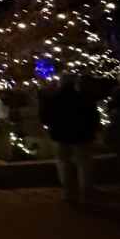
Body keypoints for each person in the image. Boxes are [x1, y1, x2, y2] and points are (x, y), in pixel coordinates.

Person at [39, 73, 100, 204]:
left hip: (60, 136)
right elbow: (93, 117)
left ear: (59, 83)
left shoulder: (50, 98)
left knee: (63, 164)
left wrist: (54, 126)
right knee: (84, 165)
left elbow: (44, 118)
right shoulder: (84, 98)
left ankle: (68, 193)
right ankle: (86, 194)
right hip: (81, 136)